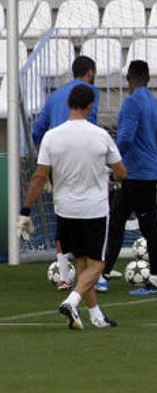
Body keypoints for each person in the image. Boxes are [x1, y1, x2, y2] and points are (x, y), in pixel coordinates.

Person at [17, 85, 127, 330]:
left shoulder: (52, 136)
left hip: (65, 209)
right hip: (94, 210)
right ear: (90, 106)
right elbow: (121, 172)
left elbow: (38, 176)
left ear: (69, 104)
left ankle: (96, 316)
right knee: (97, 264)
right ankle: (71, 300)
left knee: (82, 262)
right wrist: (108, 177)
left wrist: (25, 210)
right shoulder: (100, 135)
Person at [31, 56, 100, 290]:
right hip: (82, 161)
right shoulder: (90, 92)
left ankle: (63, 276)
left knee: (64, 215)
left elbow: (38, 130)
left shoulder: (56, 95)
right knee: (91, 215)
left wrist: (47, 155)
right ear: (90, 72)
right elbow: (92, 124)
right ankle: (93, 271)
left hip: (57, 163)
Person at [102, 60, 157, 295]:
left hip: (132, 174)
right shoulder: (155, 103)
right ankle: (104, 273)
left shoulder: (131, 102)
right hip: (148, 174)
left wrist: (113, 162)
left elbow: (126, 138)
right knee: (141, 226)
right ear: (148, 79)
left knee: (120, 224)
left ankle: (155, 278)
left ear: (128, 79)